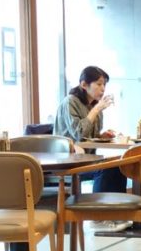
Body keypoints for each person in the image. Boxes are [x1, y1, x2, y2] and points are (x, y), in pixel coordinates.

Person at [53, 65, 127, 194]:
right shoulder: (70, 102)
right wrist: (96, 109)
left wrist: (101, 136)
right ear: (84, 84)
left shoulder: (94, 105)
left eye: (104, 84)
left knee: (119, 166)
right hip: (68, 161)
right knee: (105, 169)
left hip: (87, 158)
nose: (103, 89)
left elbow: (88, 137)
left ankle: (118, 205)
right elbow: (79, 134)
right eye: (99, 84)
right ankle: (98, 206)